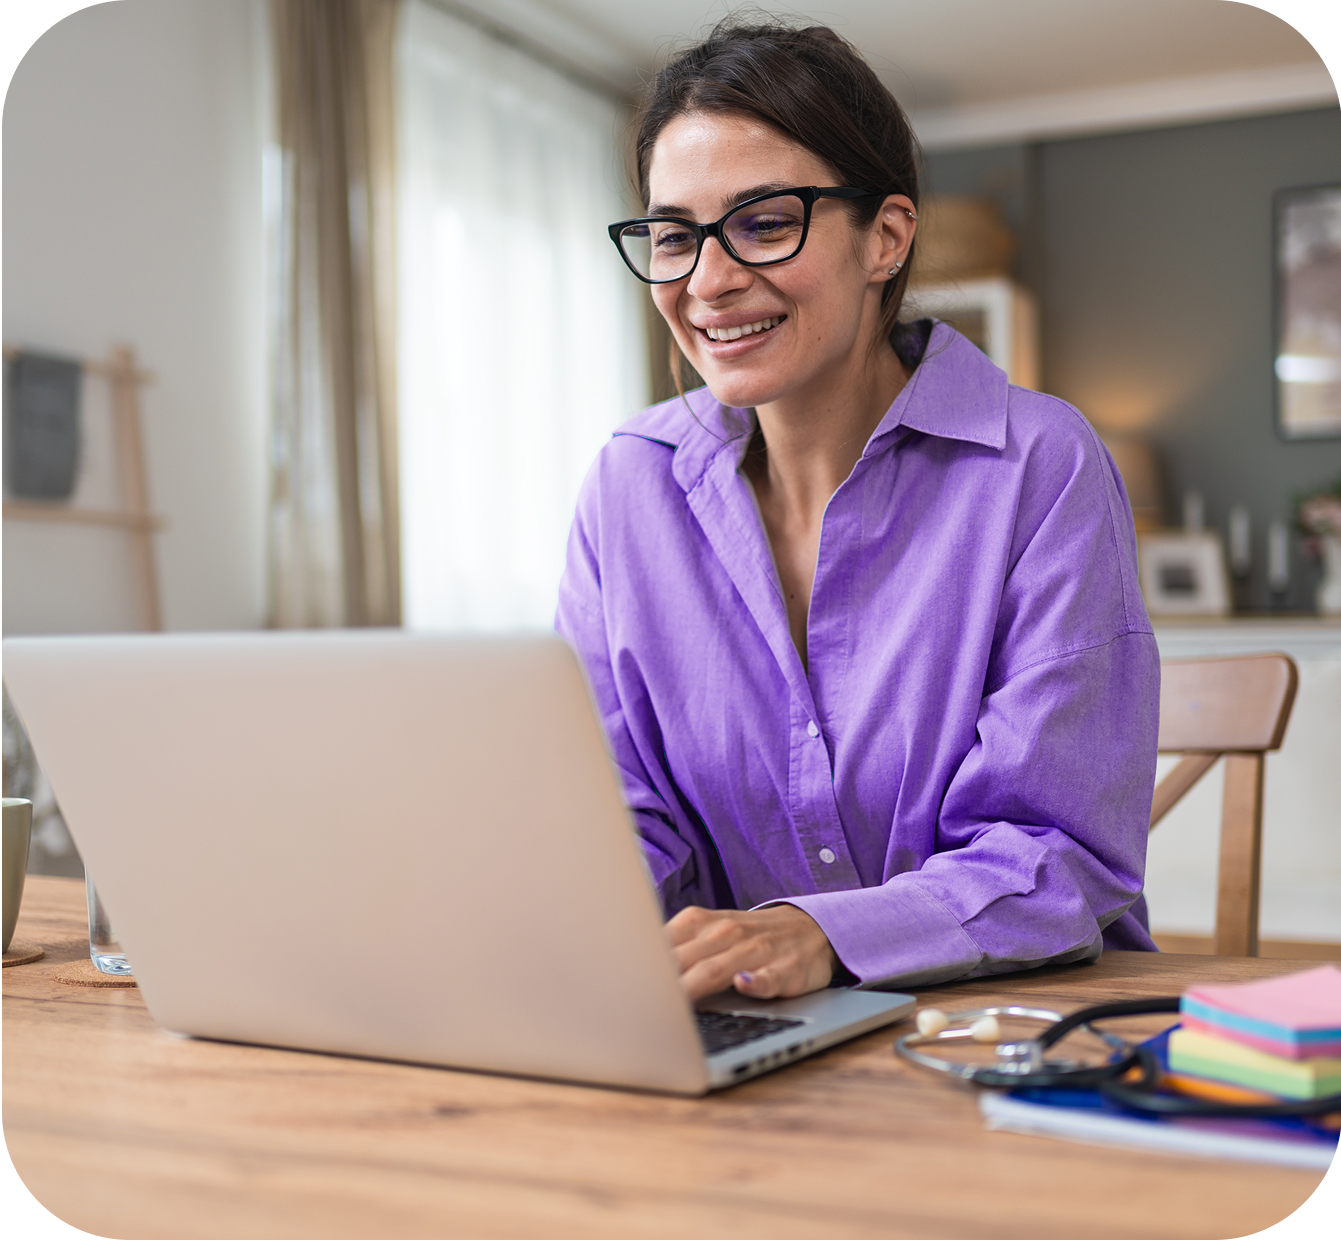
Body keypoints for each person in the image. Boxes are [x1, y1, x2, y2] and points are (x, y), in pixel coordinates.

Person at [556, 20, 1158, 1003]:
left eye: (763, 221)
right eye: (675, 236)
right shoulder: (629, 486)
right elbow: (618, 816)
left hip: (1010, 1034)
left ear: (886, 237)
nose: (708, 280)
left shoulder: (1040, 466)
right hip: (749, 1030)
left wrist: (823, 933)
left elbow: (1061, 854)